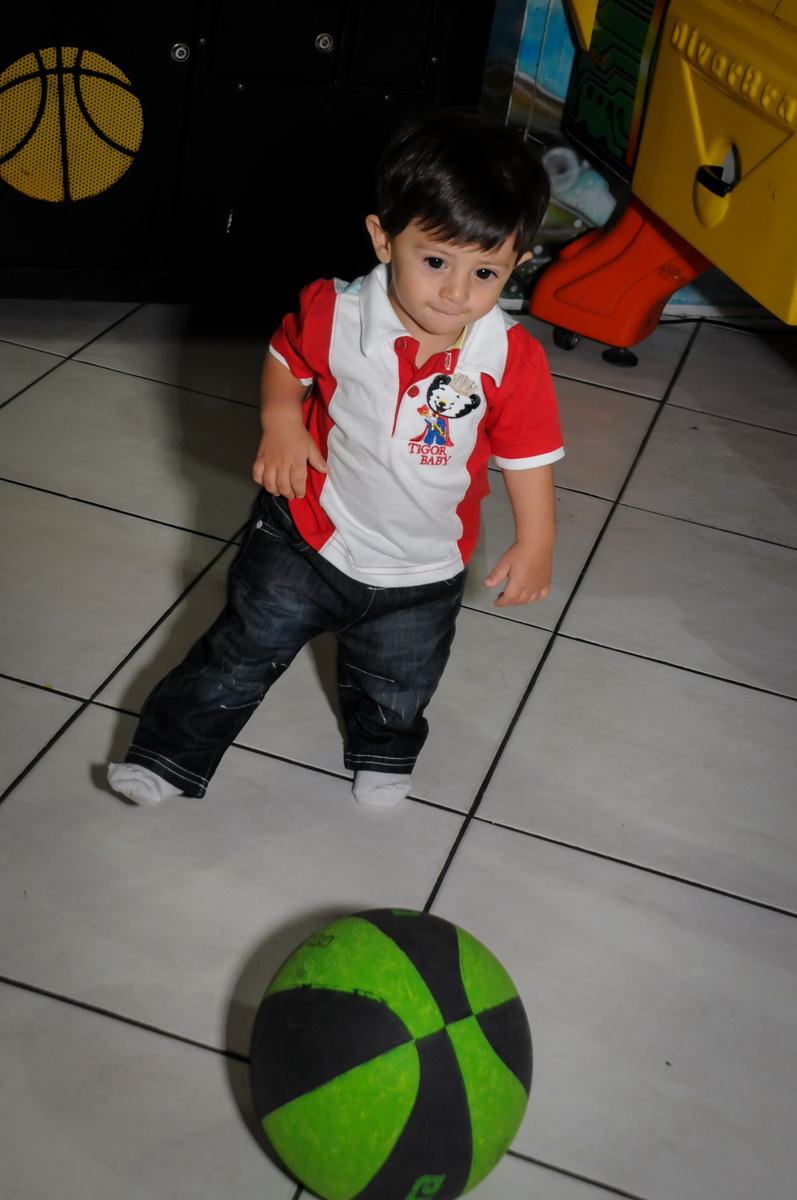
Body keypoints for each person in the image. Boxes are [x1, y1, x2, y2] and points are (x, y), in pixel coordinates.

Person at [108, 110, 564, 809]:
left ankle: (382, 753)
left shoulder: (509, 358)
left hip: (423, 567)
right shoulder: (336, 312)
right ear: (384, 239)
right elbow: (283, 360)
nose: (454, 292)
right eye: (435, 261)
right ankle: (170, 755)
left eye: (486, 272)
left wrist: (537, 540)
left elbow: (528, 455)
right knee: (236, 656)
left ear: (518, 264)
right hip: (305, 535)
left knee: (399, 681)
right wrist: (281, 419)